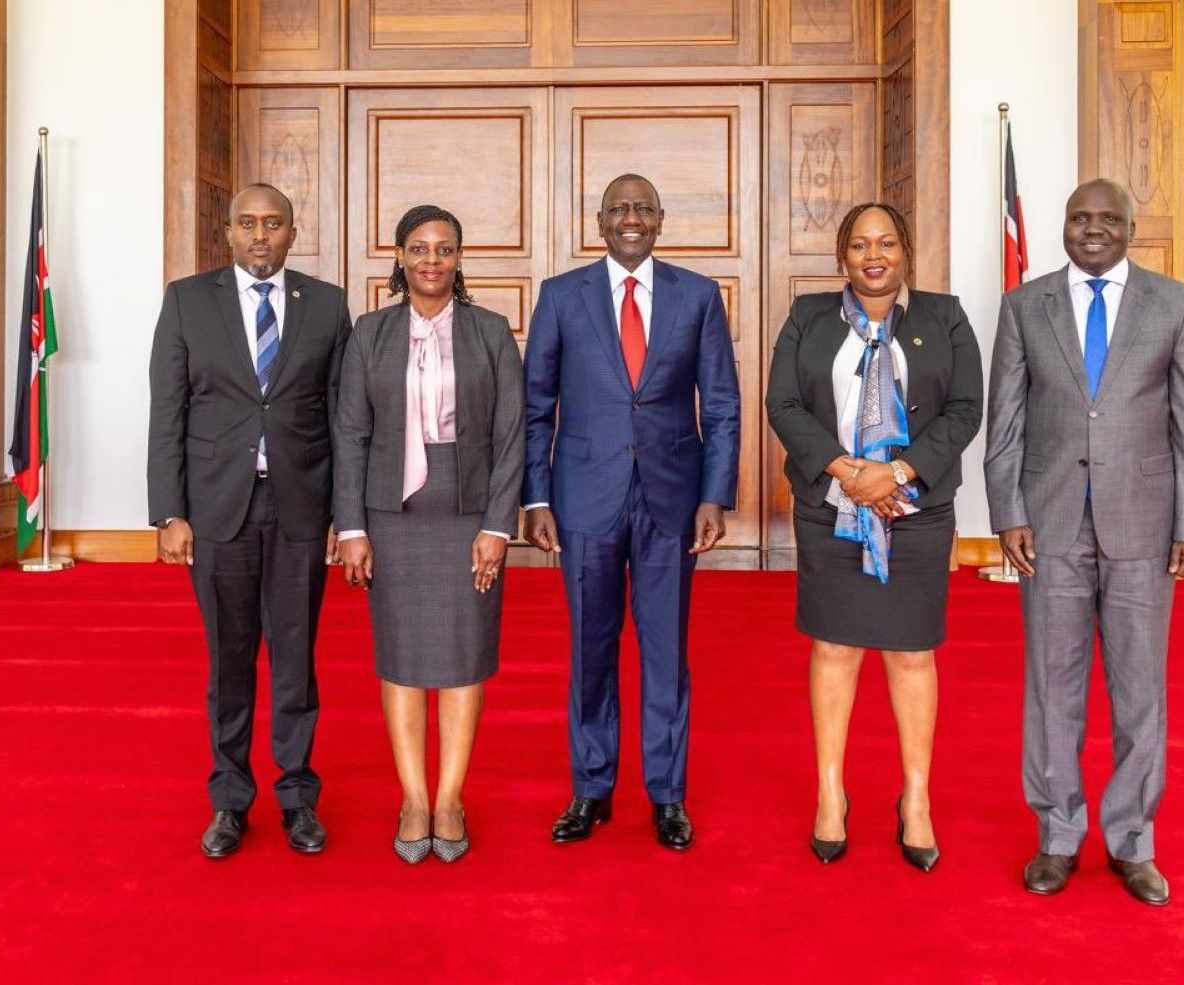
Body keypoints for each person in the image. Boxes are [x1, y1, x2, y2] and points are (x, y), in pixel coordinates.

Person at [983, 178, 1184, 905]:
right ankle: (1057, 834)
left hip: (1145, 525)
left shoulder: (1176, 305)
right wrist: (1007, 511)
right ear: (1063, 226)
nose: (1092, 229)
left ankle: (1133, 840)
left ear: (1128, 228)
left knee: (1139, 689)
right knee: (1053, 688)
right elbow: (1007, 422)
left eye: (1107, 219)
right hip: (1049, 523)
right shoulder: (1026, 305)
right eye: (1080, 218)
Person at [523, 173, 740, 851]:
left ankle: (667, 794)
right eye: (619, 208)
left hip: (673, 499)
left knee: (666, 652)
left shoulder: (698, 297)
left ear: (661, 219)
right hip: (583, 497)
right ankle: (591, 786)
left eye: (643, 208)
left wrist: (714, 494)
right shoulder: (561, 297)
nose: (631, 218)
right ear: (599, 219)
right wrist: (536, 497)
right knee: (591, 648)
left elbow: (723, 404)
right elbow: (536, 409)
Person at [765, 202, 982, 867]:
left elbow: (967, 406)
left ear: (905, 249)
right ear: (843, 256)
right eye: (859, 244)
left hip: (916, 513)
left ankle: (915, 796)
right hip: (831, 507)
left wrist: (898, 471)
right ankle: (831, 791)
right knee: (834, 648)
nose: (873, 254)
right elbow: (783, 403)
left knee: (911, 654)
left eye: (886, 241)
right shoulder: (808, 317)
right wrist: (845, 471)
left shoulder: (944, 316)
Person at [148, 183, 352, 858]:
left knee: (295, 661)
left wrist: (342, 515)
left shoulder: (326, 304)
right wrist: (169, 511)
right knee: (229, 660)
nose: (259, 234)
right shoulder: (186, 300)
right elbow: (167, 412)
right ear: (228, 233)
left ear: (294, 231)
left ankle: (297, 797)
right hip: (216, 510)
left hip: (300, 507)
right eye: (247, 223)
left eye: (273, 223)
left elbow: (341, 419)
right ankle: (230, 800)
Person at [333, 205, 523, 865]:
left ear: (460, 257)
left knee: (465, 656)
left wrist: (500, 523)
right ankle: (413, 795)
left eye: (444, 249)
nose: (432, 260)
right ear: (400, 256)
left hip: (470, 509)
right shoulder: (370, 333)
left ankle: (450, 796)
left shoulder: (492, 332)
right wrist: (352, 525)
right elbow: (350, 433)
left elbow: (510, 436)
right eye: (419, 248)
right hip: (391, 513)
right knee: (404, 659)